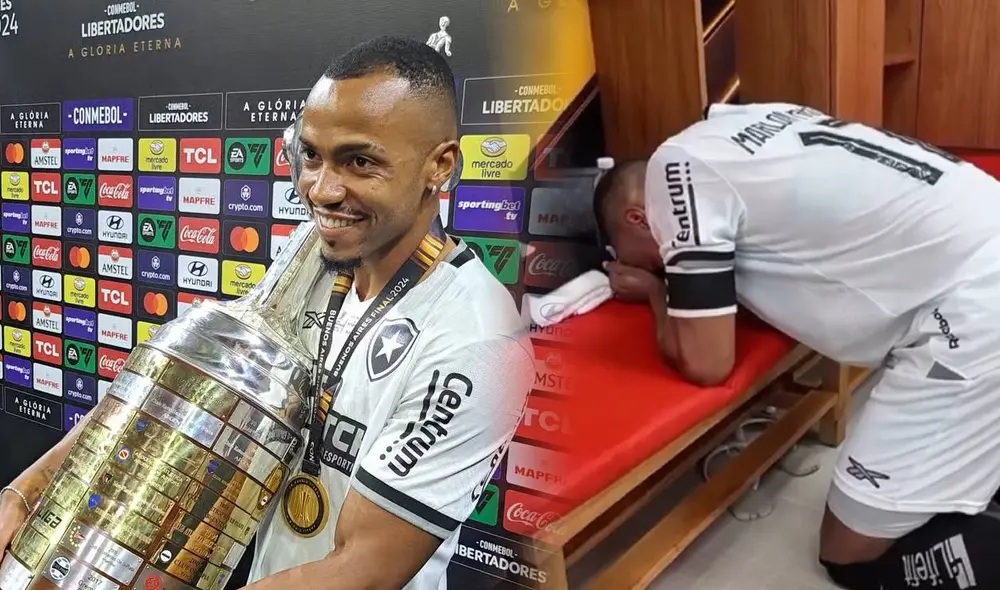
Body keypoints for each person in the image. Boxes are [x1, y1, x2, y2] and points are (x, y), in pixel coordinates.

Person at [0, 36, 533, 590]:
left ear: (439, 165)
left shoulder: (478, 338)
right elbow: (170, 392)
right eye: (311, 156)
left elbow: (362, 571)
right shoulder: (315, 250)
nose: (322, 191)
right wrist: (26, 490)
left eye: (359, 161)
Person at [593, 101, 1000, 589]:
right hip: (983, 220)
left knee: (849, 553)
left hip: (974, 302)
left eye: (624, 253)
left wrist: (658, 292)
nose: (639, 265)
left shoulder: (674, 171)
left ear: (638, 217)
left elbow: (707, 363)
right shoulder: (742, 121)